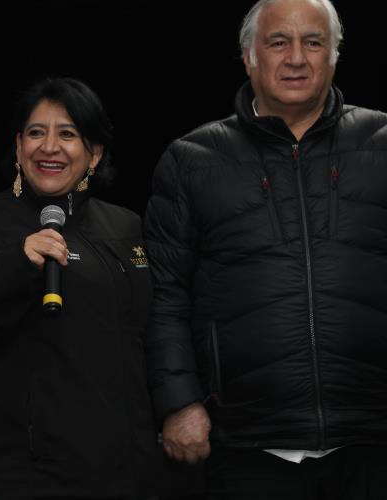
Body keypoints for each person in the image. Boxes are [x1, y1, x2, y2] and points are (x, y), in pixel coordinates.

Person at [144, 0, 387, 497]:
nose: (296, 57)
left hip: (376, 441)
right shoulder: (191, 160)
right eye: (278, 42)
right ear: (248, 57)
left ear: (334, 56)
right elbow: (165, 296)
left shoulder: (383, 142)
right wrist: (178, 403)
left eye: (313, 42)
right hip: (249, 449)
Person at [0, 77, 158, 500]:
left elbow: (148, 339)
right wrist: (14, 263)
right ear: (17, 147)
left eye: (67, 134)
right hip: (23, 474)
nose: (49, 146)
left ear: (94, 153)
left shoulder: (126, 227)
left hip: (122, 471)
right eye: (35, 132)